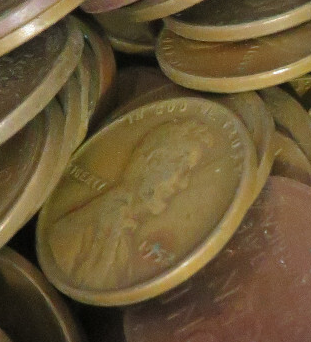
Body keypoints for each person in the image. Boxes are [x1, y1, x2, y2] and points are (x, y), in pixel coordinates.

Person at [47, 119, 211, 287]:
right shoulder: (73, 231)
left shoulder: (127, 235)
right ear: (153, 162)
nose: (184, 185)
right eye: (183, 170)